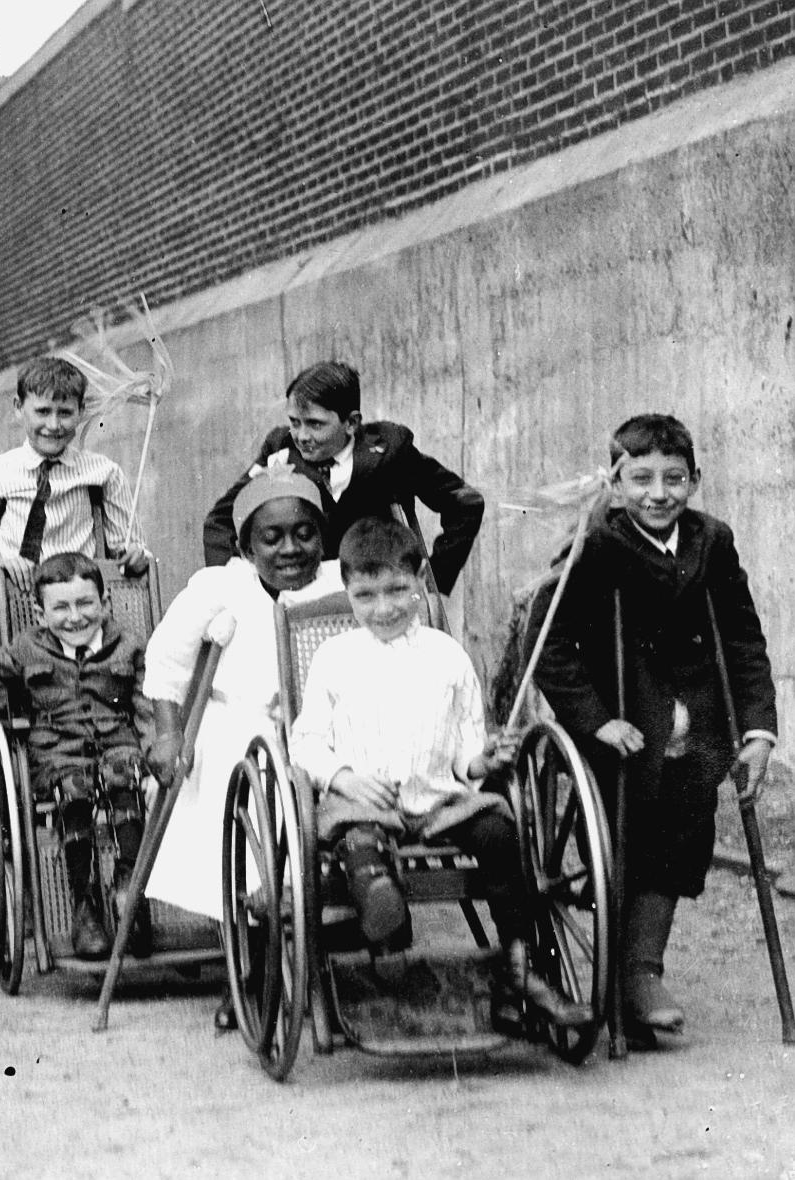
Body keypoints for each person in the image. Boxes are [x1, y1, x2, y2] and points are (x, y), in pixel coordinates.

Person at [290, 517, 589, 1028]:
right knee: (359, 839)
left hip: (438, 799)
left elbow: (465, 748)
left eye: (397, 590)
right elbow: (306, 742)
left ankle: (516, 968)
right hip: (364, 802)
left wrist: (482, 762)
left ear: (421, 582)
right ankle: (385, 922)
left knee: (500, 832)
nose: (383, 608)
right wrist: (342, 776)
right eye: (365, 595)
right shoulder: (333, 658)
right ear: (348, 592)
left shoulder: (448, 657)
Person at [536, 413, 776, 1042]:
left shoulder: (712, 541)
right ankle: (628, 975)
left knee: (681, 843)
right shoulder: (594, 543)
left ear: (695, 481)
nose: (658, 492)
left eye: (674, 478)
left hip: (696, 727)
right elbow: (550, 644)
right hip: (622, 723)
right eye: (640, 478)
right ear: (615, 484)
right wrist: (595, 720)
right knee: (625, 843)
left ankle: (641, 971)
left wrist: (757, 730)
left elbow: (744, 638)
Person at [142, 468, 342, 1026]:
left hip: (319, 734)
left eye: (304, 533)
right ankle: (248, 971)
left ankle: (315, 951)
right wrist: (168, 734)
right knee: (242, 830)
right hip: (237, 731)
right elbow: (167, 665)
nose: (290, 549)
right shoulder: (218, 587)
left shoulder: (340, 584)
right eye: (271, 538)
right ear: (245, 546)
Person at [0, 551, 149, 959]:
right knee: (74, 790)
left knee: (125, 777)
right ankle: (85, 904)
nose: (75, 617)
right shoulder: (29, 648)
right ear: (41, 615)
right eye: (60, 607)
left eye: (85, 604)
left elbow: (145, 706)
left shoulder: (129, 644)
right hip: (57, 754)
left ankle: (131, 890)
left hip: (119, 744)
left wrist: (153, 754)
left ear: (105, 604)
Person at [200, 361, 483, 595]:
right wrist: (230, 589)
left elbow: (465, 503)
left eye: (315, 424)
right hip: (303, 600)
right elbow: (221, 520)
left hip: (375, 594)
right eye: (294, 423)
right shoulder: (281, 450)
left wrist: (435, 584)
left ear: (351, 423)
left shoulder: (389, 452)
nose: (301, 436)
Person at [0, 357, 148, 594]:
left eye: (65, 413)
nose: (53, 424)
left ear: (81, 411)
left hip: (81, 603)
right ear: (18, 407)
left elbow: (132, 548)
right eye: (42, 411)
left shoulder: (104, 473)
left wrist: (136, 556)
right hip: (18, 604)